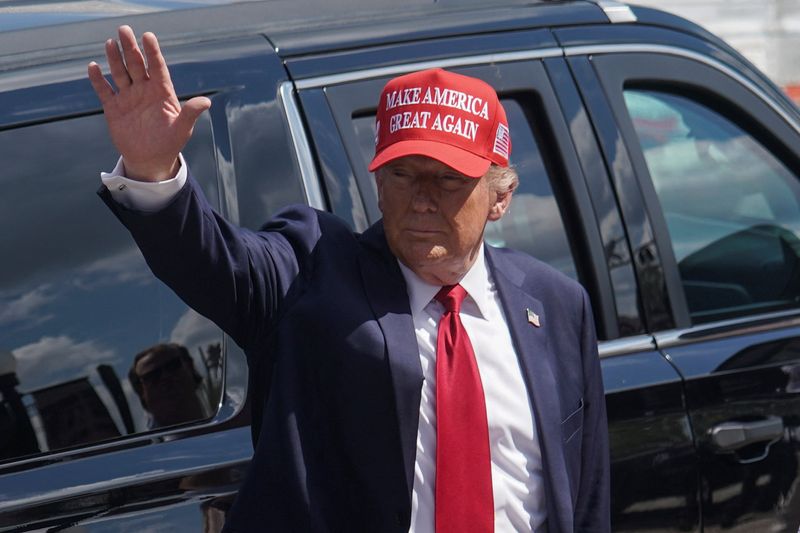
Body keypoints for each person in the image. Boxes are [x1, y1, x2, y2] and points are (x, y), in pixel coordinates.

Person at [88, 25, 609, 533]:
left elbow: (584, 494)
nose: (422, 198)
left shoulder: (555, 304)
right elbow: (217, 262)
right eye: (402, 174)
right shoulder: (313, 268)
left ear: (500, 196)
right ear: (378, 182)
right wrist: (153, 172)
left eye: (449, 179)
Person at [128, 343, 208, 429]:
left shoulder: (222, 416)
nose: (165, 376)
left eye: (173, 365)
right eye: (152, 375)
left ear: (190, 367)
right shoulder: (144, 441)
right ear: (141, 392)